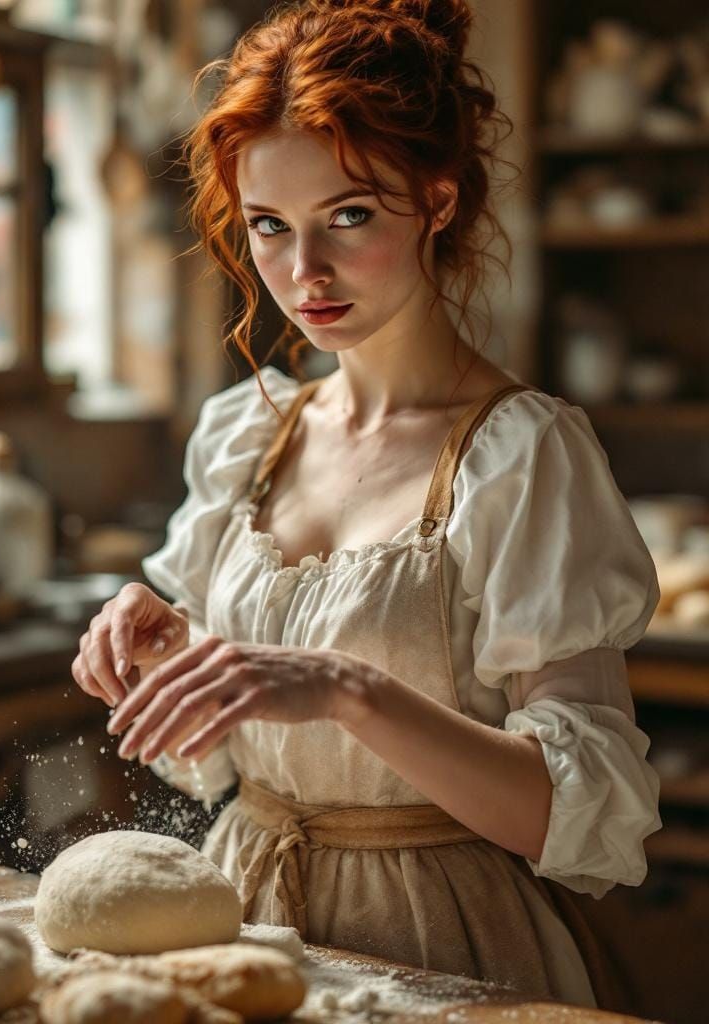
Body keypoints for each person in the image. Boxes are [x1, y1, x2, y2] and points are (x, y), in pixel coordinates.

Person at [71, 0, 662, 1011]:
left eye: (349, 216)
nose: (305, 273)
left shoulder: (520, 457)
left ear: (435, 200)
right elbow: (220, 755)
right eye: (270, 226)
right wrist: (164, 654)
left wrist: (349, 686)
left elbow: (577, 817)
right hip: (249, 918)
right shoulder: (249, 436)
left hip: (445, 939)